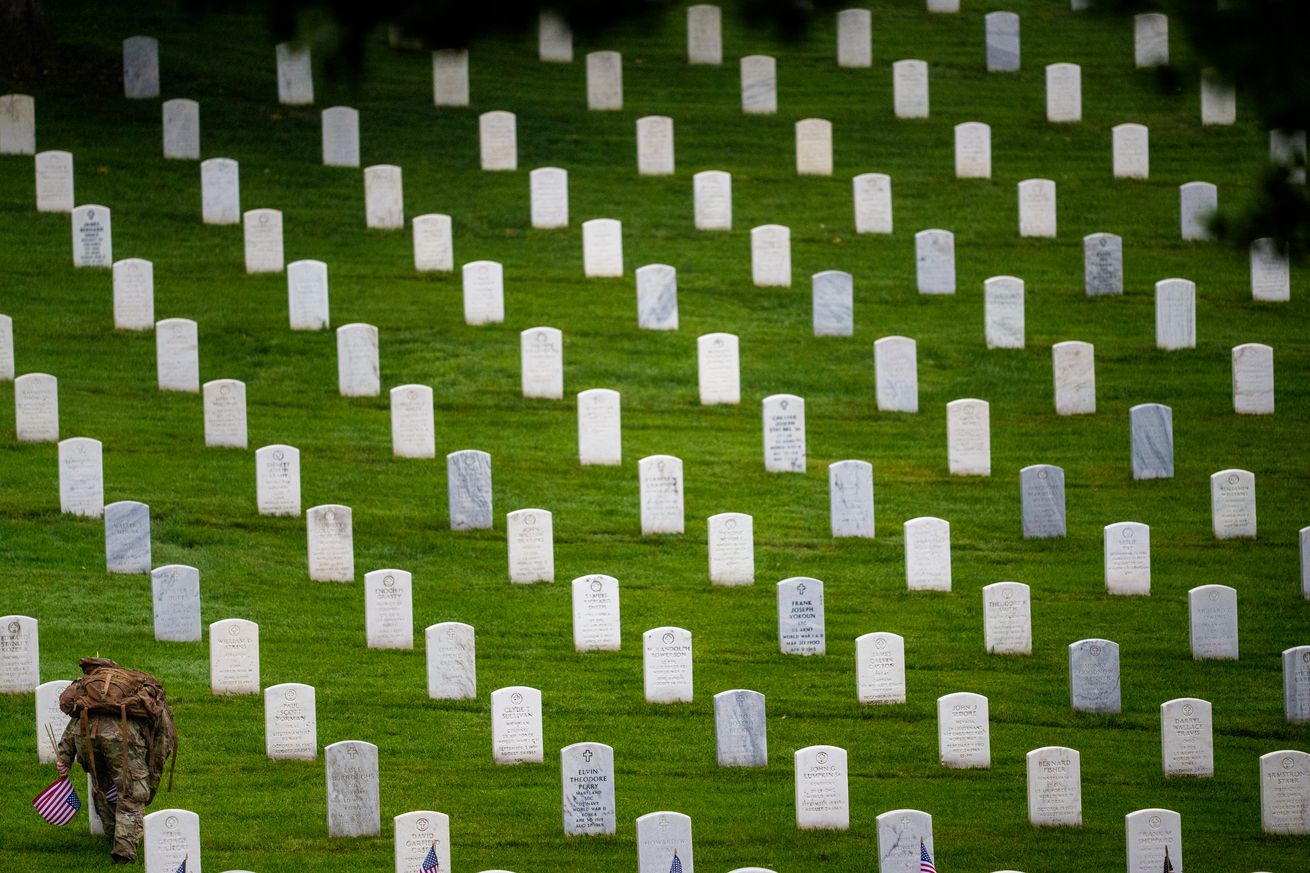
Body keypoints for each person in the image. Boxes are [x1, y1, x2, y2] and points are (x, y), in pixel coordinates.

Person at [55, 658, 175, 865]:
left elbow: (73, 724)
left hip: (85, 738)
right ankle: (124, 852)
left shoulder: (90, 693)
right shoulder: (140, 689)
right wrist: (150, 778)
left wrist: (64, 758)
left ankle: (112, 835)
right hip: (123, 739)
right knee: (132, 792)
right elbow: (164, 740)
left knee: (101, 785)